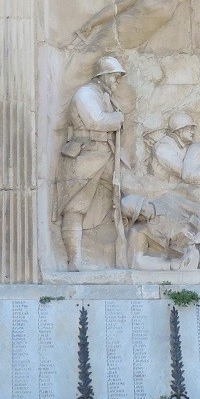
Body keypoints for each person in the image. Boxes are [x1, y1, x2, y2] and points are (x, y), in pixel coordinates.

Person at [58, 56, 126, 271]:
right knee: (75, 207)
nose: (117, 81)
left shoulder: (104, 95)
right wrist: (118, 119)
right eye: (115, 77)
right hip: (86, 154)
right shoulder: (86, 94)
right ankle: (74, 260)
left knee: (125, 196)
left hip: (104, 154)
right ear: (103, 76)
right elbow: (95, 121)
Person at [151, 112, 197, 183]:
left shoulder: (187, 146)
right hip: (164, 189)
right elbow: (183, 172)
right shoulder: (163, 147)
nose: (193, 132)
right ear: (180, 130)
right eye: (190, 128)